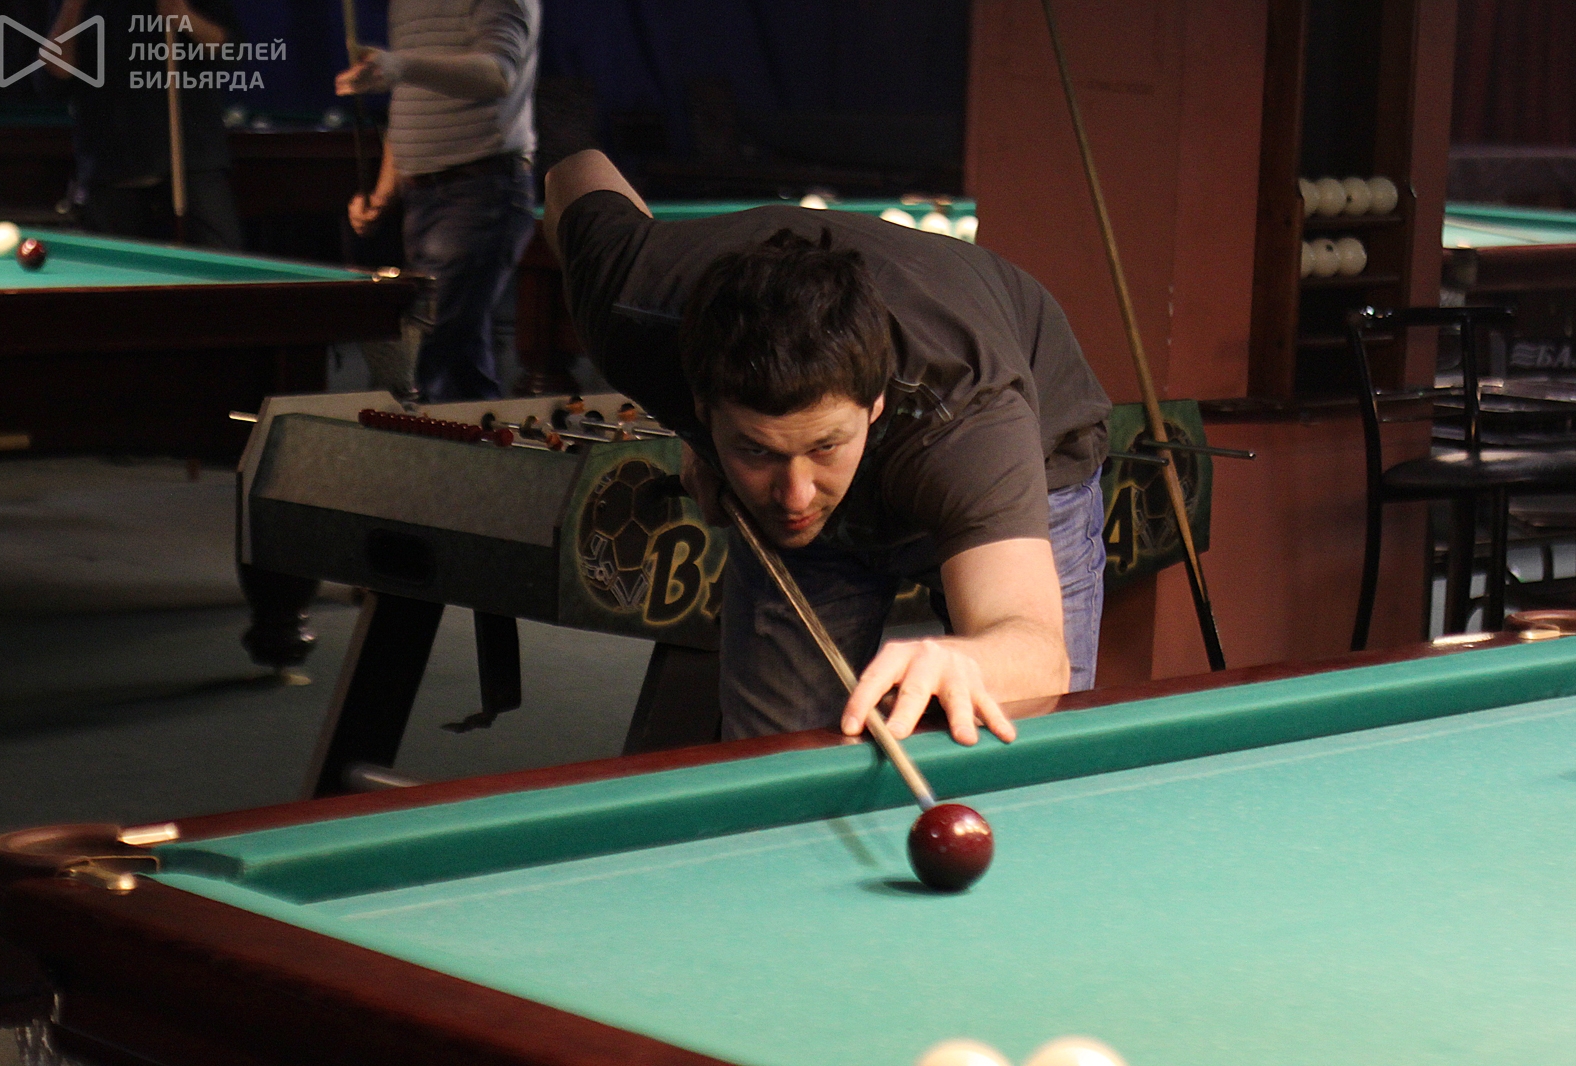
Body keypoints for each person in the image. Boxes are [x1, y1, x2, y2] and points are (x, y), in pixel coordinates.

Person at [543, 150, 1113, 747]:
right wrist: (702, 442)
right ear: (705, 407)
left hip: (1026, 448)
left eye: (825, 446)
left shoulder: (968, 419)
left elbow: (1036, 652)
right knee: (779, 755)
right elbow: (575, 171)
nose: (795, 494)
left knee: (1027, 736)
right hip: (816, 470)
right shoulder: (631, 302)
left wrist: (975, 659)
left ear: (875, 405)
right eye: (757, 450)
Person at [337, 0, 540, 403]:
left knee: (424, 356)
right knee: (457, 368)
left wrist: (401, 66)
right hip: (423, 198)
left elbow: (498, 74)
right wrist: (383, 192)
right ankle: (485, 442)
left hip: (480, 191)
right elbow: (410, 101)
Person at [45, 0, 243, 249]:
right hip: (111, 162)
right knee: (113, 271)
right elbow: (51, 81)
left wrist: (183, 16)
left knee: (220, 264)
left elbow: (232, 51)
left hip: (190, 159)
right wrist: (72, 7)